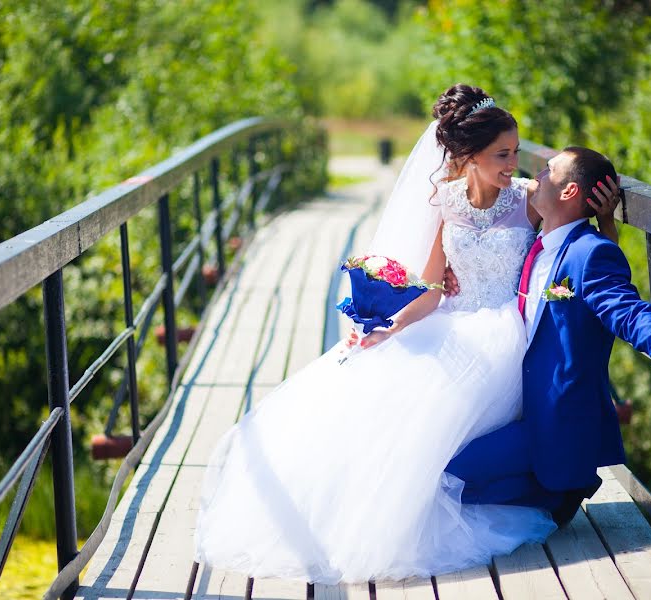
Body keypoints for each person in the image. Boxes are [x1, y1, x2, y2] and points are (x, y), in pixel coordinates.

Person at [194, 84, 620, 584]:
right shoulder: (446, 202)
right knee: (385, 402)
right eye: (502, 154)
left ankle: (520, 484)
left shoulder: (528, 200)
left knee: (450, 422)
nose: (514, 163)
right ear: (470, 157)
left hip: (508, 332)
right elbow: (434, 287)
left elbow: (580, 252)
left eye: (515, 152)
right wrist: (390, 327)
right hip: (452, 325)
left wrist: (607, 217)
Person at [443, 145, 651, 527]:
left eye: (548, 171)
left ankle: (555, 496)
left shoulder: (589, 254)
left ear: (568, 192)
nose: (536, 177)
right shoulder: (537, 244)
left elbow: (627, 309)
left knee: (446, 481)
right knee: (424, 459)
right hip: (514, 405)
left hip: (550, 427)